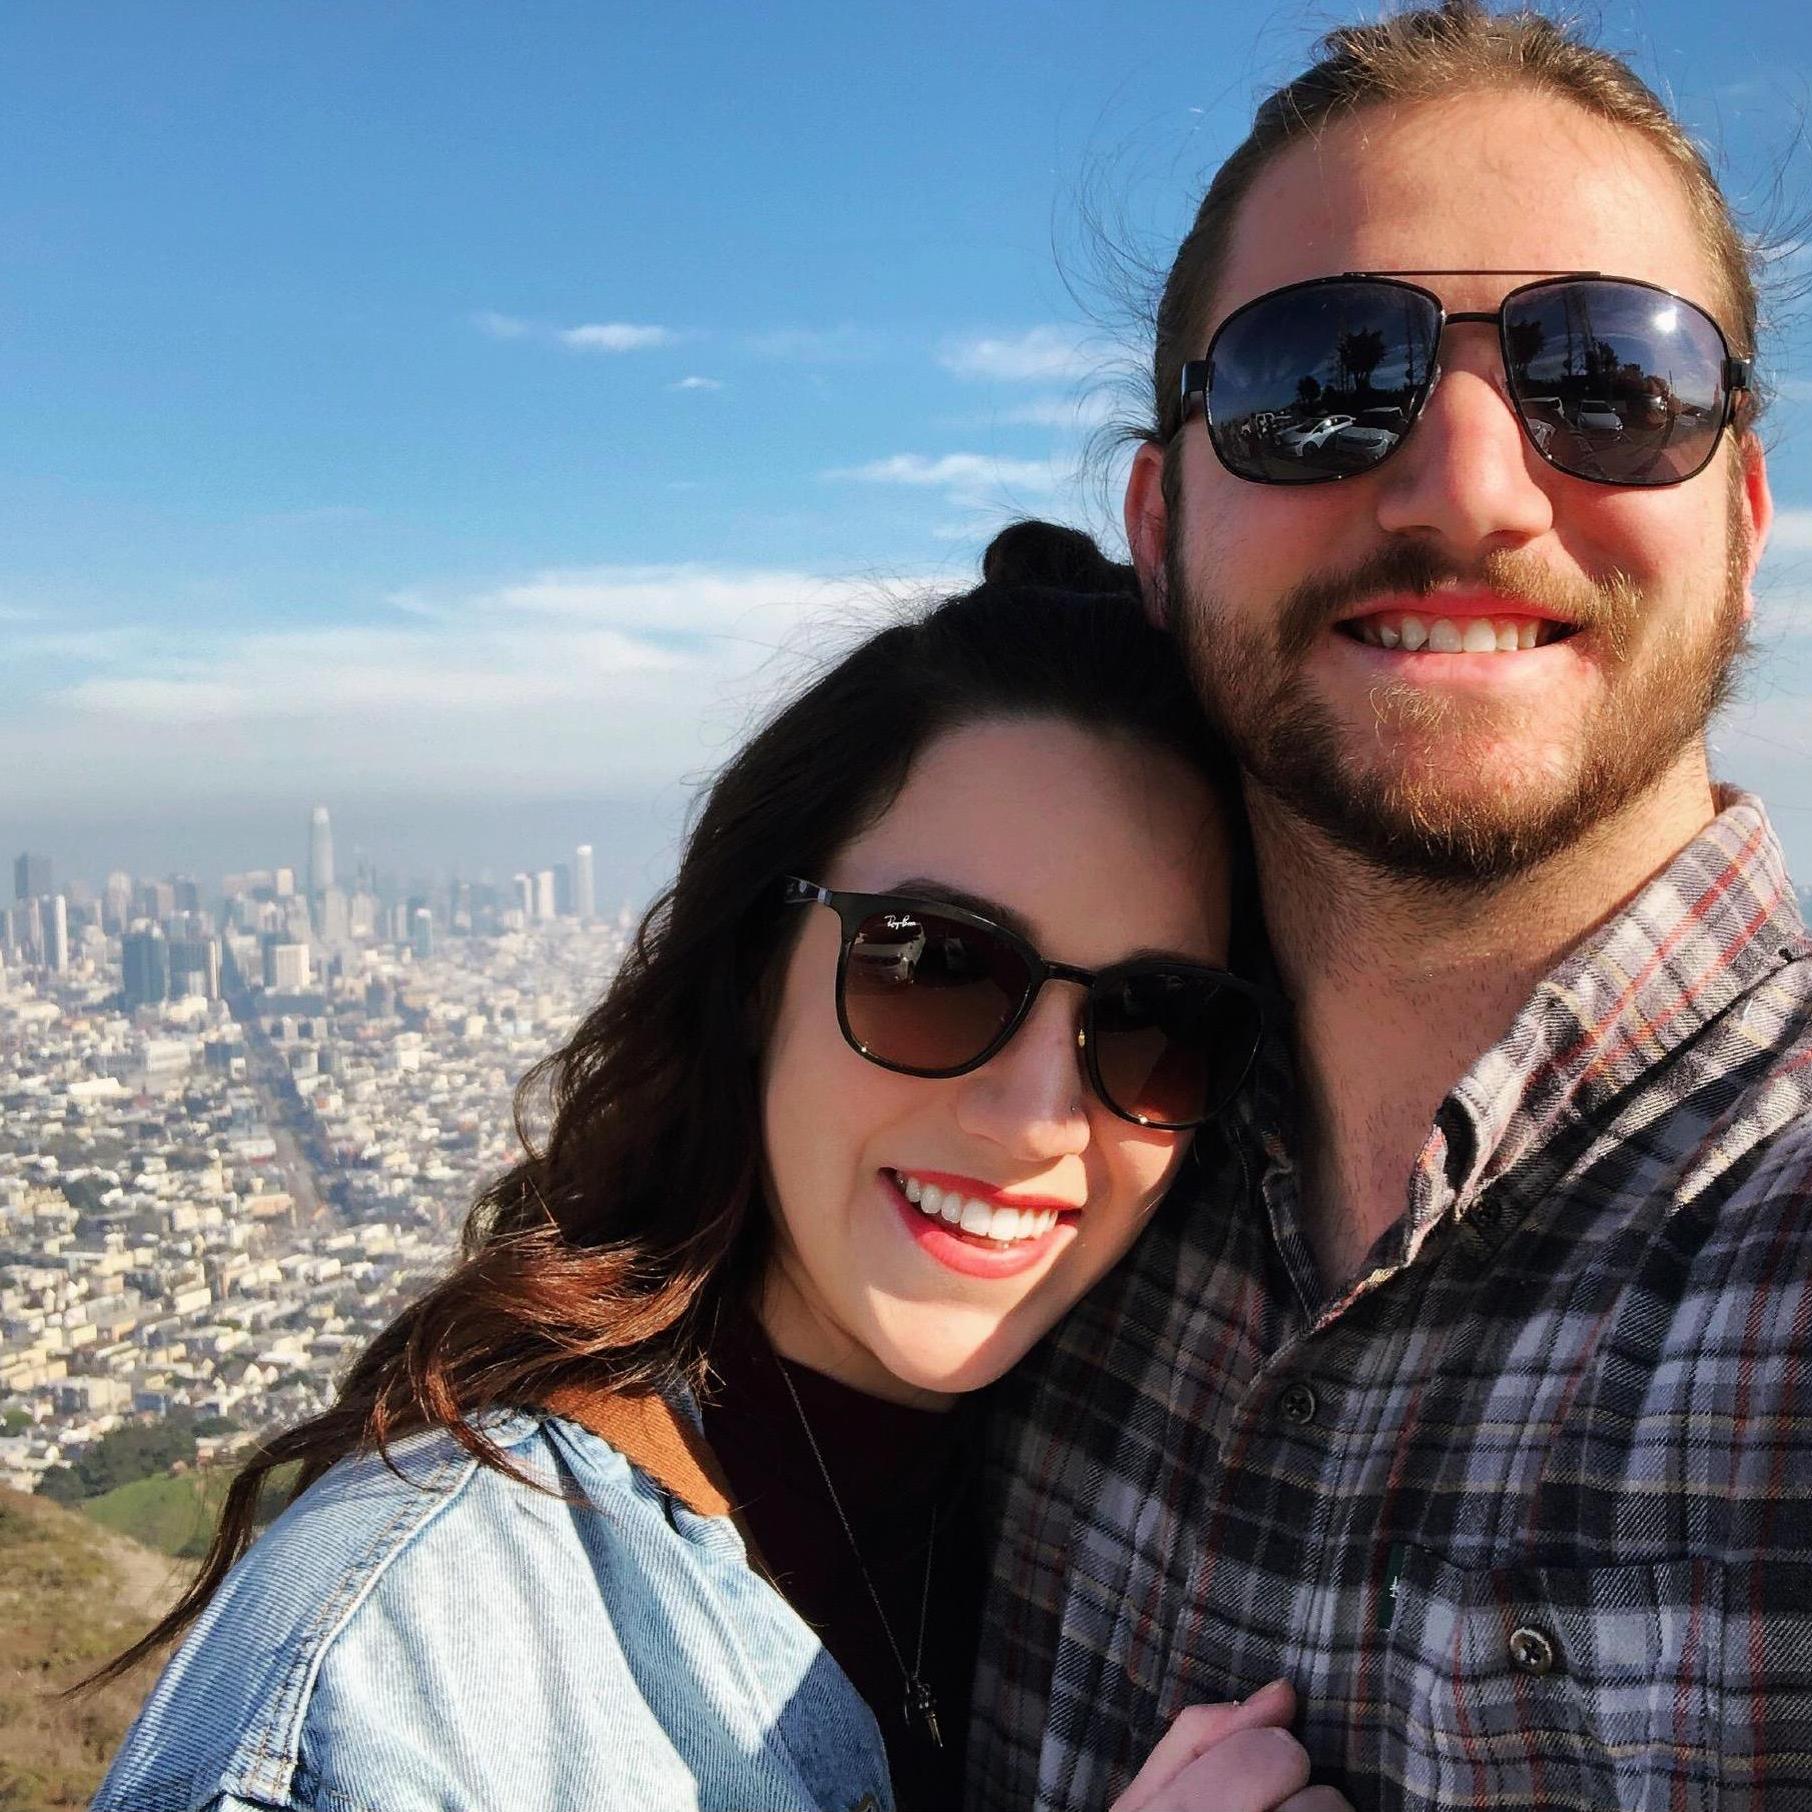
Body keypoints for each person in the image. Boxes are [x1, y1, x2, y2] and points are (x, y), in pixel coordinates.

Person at [91, 527, 1346, 1812]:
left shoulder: (1119, 1495)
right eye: (936, 967)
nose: (1037, 1118)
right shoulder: (401, 1675)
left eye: (1154, 1022)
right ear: (756, 972)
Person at [971, 6, 1812, 1810]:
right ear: (1155, 516)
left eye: (1611, 380)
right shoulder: (1022, 1150)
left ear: (1743, 516)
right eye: (1318, 381)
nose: (1469, 490)